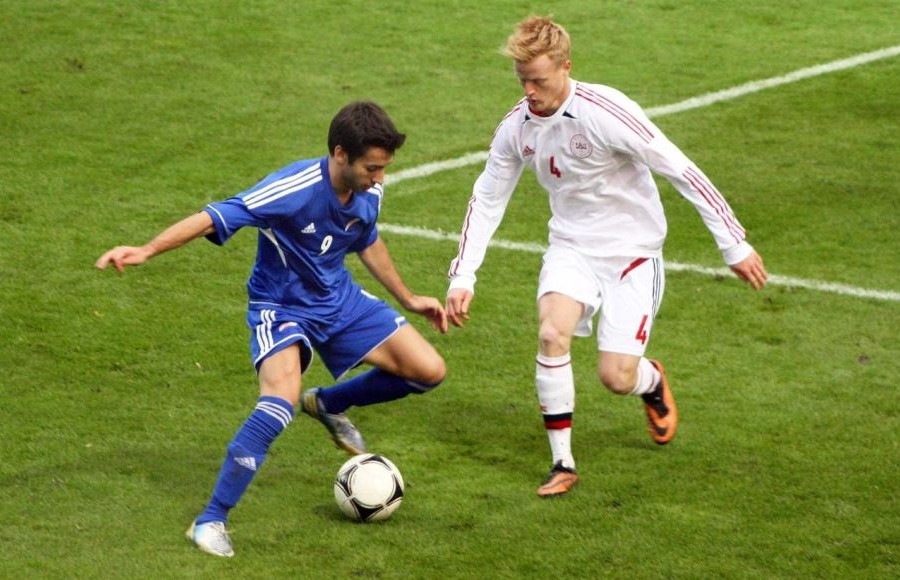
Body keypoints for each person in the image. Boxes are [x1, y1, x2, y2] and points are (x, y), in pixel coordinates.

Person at [97, 101, 448, 557]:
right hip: (281, 308)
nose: (379, 178)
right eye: (372, 168)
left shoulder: (369, 192)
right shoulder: (292, 188)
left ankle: (327, 404)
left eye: (383, 169)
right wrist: (146, 250)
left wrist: (408, 298)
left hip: (338, 300)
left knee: (428, 370)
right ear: (341, 154)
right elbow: (215, 216)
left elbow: (366, 239)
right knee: (279, 399)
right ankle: (210, 520)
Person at [445, 17, 768, 498]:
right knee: (551, 332)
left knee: (616, 377)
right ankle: (562, 462)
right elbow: (487, 197)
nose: (529, 91)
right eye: (522, 80)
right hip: (571, 248)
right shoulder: (517, 127)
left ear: (566, 67)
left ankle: (651, 380)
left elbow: (680, 169)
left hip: (633, 255)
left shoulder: (606, 112)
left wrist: (733, 242)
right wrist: (463, 275)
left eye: (539, 79)